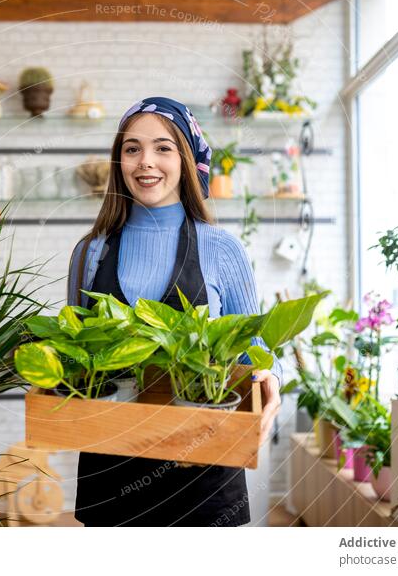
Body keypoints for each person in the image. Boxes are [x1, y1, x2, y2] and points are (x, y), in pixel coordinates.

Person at [66, 97, 282, 527]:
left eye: (163, 147)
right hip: (112, 471)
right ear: (119, 161)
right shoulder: (90, 252)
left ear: (185, 159)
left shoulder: (221, 249)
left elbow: (253, 352)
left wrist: (271, 376)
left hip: (204, 472)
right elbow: (76, 355)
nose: (146, 162)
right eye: (132, 148)